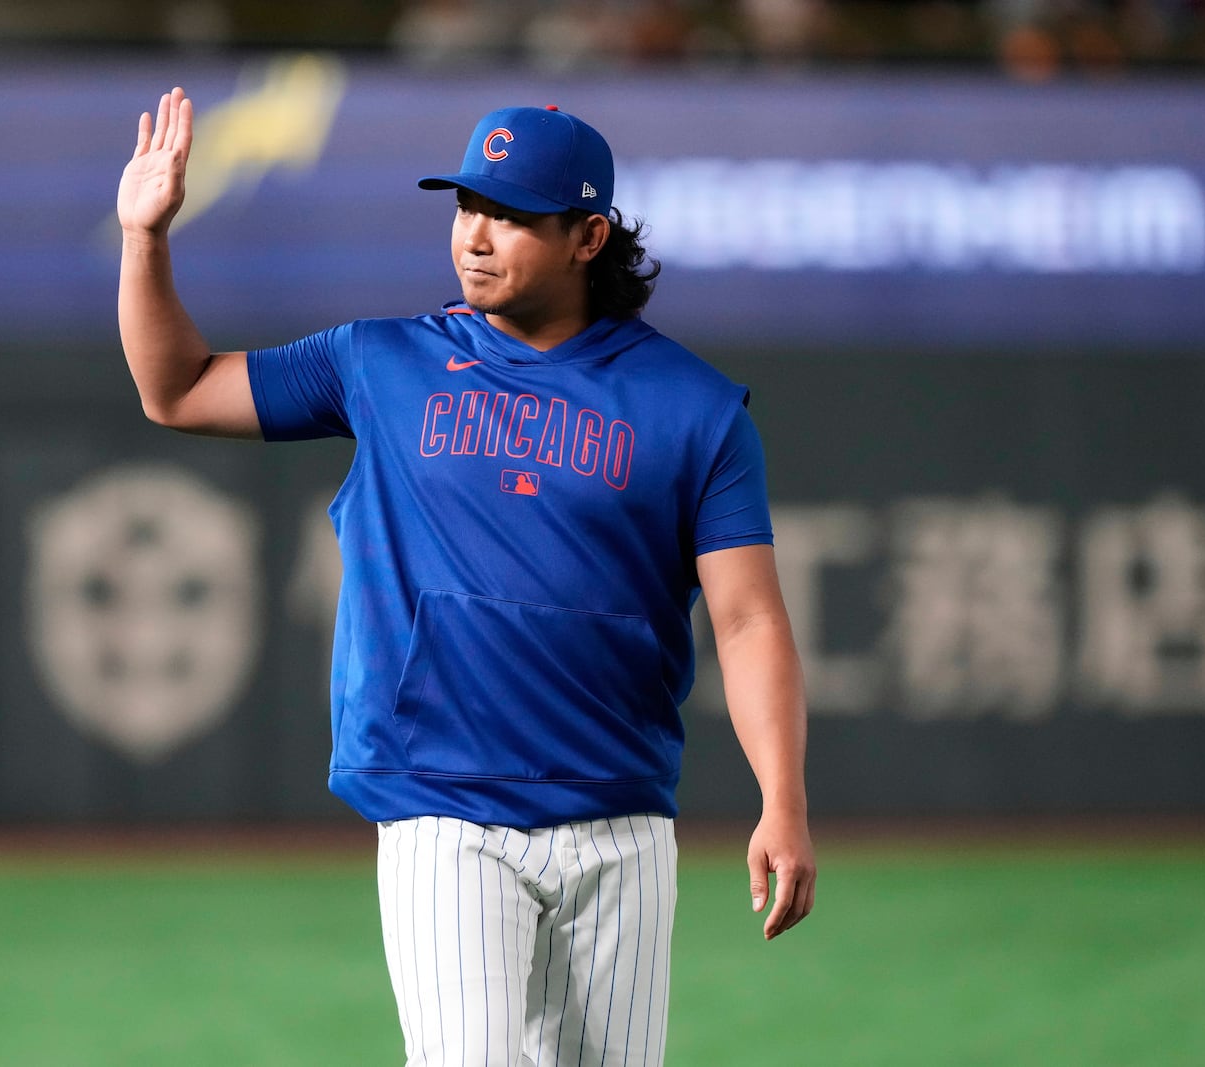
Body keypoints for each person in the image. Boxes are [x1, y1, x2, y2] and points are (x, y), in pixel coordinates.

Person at [117, 87, 816, 1067]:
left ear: (587, 236)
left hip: (620, 817)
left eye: (512, 216)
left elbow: (748, 622)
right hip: (445, 808)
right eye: (466, 206)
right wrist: (145, 238)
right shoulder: (380, 361)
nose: (476, 236)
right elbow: (177, 387)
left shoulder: (692, 408)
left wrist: (779, 797)